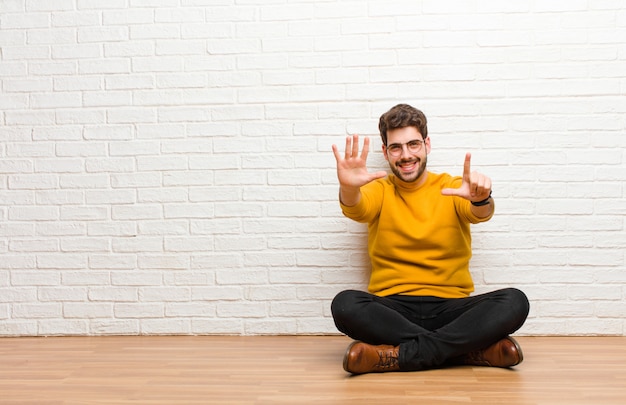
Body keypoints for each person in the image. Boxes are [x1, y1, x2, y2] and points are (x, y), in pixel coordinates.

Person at [330, 104, 530, 375]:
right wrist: (348, 187)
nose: (406, 155)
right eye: (396, 147)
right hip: (394, 308)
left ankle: (396, 356)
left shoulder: (452, 187)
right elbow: (356, 207)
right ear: (385, 152)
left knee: (515, 301)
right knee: (345, 305)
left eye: (413, 144)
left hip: (452, 306)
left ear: (427, 144)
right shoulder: (379, 190)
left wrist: (482, 198)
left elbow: (480, 212)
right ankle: (468, 350)